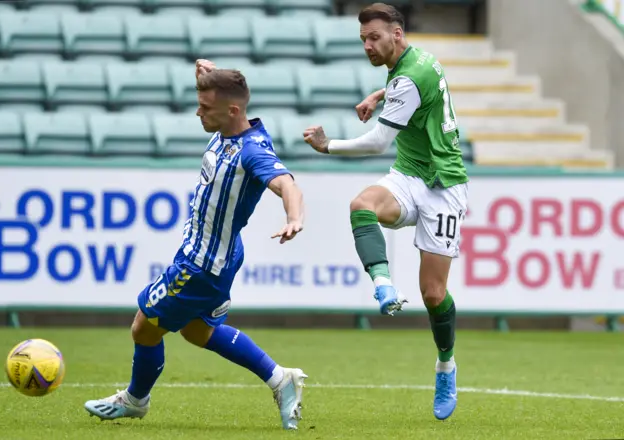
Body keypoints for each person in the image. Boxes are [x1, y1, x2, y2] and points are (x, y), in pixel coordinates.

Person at [84, 61, 308, 430]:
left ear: (232, 111)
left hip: (202, 265)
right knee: (195, 330)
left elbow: (286, 183)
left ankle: (135, 400)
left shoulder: (251, 151)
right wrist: (209, 76)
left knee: (143, 327)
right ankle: (280, 379)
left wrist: (294, 217)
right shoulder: (228, 126)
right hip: (218, 253)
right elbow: (225, 95)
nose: (198, 112)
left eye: (205, 107)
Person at [303, 2, 469, 421]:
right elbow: (412, 87)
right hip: (409, 175)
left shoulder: (409, 76)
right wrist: (380, 93)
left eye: (374, 37)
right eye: (363, 40)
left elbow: (377, 142)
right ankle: (383, 287)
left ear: (397, 34)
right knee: (361, 205)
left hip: (444, 186)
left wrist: (329, 146)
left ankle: (446, 366)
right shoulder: (415, 62)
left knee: (434, 294)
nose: (367, 46)